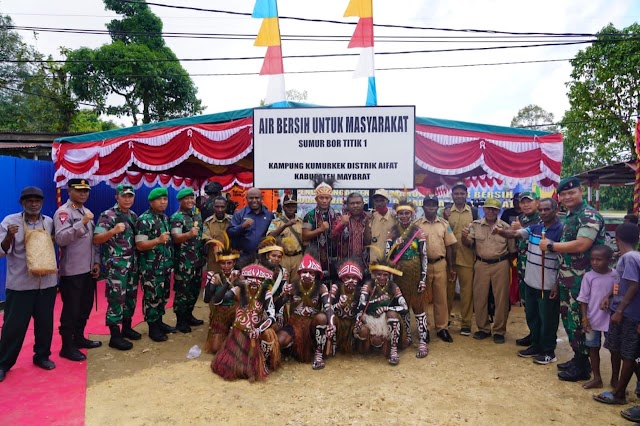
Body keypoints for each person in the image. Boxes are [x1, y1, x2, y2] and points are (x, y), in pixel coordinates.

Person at [540, 176, 607, 381]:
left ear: (580, 191)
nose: (568, 197)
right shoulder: (571, 216)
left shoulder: (588, 215)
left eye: (572, 192)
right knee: (570, 320)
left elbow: (581, 245)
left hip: (584, 281)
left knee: (581, 320)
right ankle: (579, 358)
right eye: (564, 194)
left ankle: (583, 365)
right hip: (569, 279)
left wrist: (551, 246)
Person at [0, 187, 57, 381]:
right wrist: (9, 236)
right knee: (13, 326)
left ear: (42, 202)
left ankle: (42, 356)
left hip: (46, 283)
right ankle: (4, 363)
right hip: (21, 285)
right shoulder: (10, 222)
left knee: (45, 323)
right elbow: (1, 251)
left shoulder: (48, 222)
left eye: (37, 200)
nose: (33, 204)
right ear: (22, 203)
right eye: (29, 200)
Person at [495, 198, 562, 363]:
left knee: (548, 319)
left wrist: (556, 284)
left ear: (555, 210)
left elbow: (564, 260)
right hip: (530, 281)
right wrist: (499, 231)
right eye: (541, 210)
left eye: (547, 209)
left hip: (547, 284)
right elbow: (515, 234)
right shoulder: (535, 228)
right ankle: (535, 345)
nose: (543, 213)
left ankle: (548, 351)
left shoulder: (561, 230)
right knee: (532, 315)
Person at [54, 178, 102, 361]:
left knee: (85, 307)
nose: (83, 193)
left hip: (88, 270)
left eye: (86, 190)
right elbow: (61, 239)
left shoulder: (87, 212)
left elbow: (94, 242)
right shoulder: (64, 213)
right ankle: (67, 346)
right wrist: (81, 223)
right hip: (72, 271)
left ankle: (79, 337)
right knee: (71, 310)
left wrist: (97, 262)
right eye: (79, 190)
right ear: (69, 191)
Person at [593, 223, 640, 405]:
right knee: (617, 349)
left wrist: (619, 310)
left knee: (627, 354)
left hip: (628, 314)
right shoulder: (629, 257)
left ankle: (619, 393)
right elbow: (623, 283)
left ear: (616, 239)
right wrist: (609, 295)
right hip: (623, 311)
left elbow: (634, 285)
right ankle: (617, 384)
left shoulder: (629, 258)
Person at [211, 264, 280, 381]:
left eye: (258, 279)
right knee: (232, 367)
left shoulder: (266, 293)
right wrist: (229, 282)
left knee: (268, 334)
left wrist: (259, 330)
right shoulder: (239, 289)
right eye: (250, 278)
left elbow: (272, 316)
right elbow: (218, 301)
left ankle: (262, 360)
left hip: (255, 333)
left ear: (263, 281)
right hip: (238, 332)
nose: (254, 281)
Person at [93, 184, 140, 351]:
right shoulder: (107, 215)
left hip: (132, 265)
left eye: (130, 196)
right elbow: (97, 238)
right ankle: (115, 336)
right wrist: (112, 231)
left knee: (130, 297)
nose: (127, 199)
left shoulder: (133, 216)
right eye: (124, 196)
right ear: (117, 197)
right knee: (116, 299)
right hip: (117, 266)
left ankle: (126, 327)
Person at [462, 198, 516, 344]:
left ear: (499, 211)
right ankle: (483, 328)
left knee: (501, 299)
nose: (491, 211)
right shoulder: (475, 225)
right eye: (488, 208)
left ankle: (499, 330)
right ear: (484, 209)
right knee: (480, 297)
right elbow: (468, 244)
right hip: (481, 264)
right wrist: (464, 236)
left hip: (501, 264)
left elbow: (512, 251)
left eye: (495, 209)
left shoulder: (505, 228)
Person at [385, 199, 429, 357]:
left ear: (412, 214)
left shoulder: (419, 231)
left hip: (416, 274)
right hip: (399, 276)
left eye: (407, 213)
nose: (404, 216)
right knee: (403, 308)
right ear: (397, 215)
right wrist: (390, 280)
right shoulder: (392, 232)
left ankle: (423, 341)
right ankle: (408, 336)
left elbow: (424, 256)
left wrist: (423, 279)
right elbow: (387, 257)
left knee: (418, 308)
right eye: (401, 213)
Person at [278, 252, 334, 370]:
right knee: (280, 340)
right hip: (295, 324)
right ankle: (289, 350)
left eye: (311, 272)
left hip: (312, 326)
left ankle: (318, 354)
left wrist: (331, 324)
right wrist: (283, 295)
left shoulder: (321, 288)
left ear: (316, 275)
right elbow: (278, 306)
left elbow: (328, 307)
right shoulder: (292, 287)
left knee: (322, 317)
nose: (307, 275)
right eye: (304, 272)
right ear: (299, 273)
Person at [135, 187, 176, 342]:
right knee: (152, 298)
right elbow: (140, 245)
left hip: (164, 267)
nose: (163, 202)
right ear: (151, 202)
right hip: (150, 268)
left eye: (165, 199)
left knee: (163, 296)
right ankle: (153, 328)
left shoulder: (164, 218)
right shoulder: (144, 220)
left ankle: (159, 323)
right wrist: (157, 240)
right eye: (159, 199)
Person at [415, 194, 457, 343]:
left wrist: (451, 267)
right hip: (423, 266)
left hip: (440, 264)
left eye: (433, 204)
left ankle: (442, 328)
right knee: (423, 299)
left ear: (437, 206)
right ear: (423, 206)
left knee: (441, 298)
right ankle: (424, 328)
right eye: (428, 204)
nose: (431, 207)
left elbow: (450, 247)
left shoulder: (444, 224)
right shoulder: (417, 225)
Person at [354, 259, 409, 365]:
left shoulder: (393, 286)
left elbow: (405, 307)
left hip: (385, 319)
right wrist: (376, 301)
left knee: (392, 315)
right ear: (374, 274)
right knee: (363, 332)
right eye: (379, 274)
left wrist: (387, 309)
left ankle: (393, 349)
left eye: (385, 275)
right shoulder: (368, 285)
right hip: (369, 318)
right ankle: (367, 346)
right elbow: (361, 305)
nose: (382, 277)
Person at [577, 244, 616, 389]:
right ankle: (597, 378)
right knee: (593, 349)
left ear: (609, 260)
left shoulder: (615, 275)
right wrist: (584, 318)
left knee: (614, 350)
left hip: (610, 321)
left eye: (599, 259)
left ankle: (615, 380)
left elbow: (618, 293)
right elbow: (583, 300)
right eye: (592, 259)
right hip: (592, 320)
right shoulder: (588, 276)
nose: (594, 262)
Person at [170, 188, 205, 333]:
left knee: (194, 289)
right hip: (183, 262)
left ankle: (189, 315)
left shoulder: (196, 216)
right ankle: (181, 321)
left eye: (192, 198)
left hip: (197, 260)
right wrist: (189, 234)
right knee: (182, 291)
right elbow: (176, 238)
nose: (190, 201)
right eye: (187, 198)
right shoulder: (177, 217)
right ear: (180, 201)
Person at [447, 181, 477, 336]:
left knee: (467, 293)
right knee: (448, 292)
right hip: (449, 260)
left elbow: (478, 235)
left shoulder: (474, 212)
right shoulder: (445, 212)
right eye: (456, 193)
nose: (459, 196)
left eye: (462, 193)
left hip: (467, 258)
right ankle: (445, 321)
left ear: (466, 195)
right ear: (452, 195)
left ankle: (466, 323)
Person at [511, 191, 540, 347]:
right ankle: (533, 334)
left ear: (537, 202)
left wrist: (520, 228)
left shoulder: (541, 218)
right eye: (523, 202)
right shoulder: (522, 218)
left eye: (529, 201)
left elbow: (540, 238)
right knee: (528, 304)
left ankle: (540, 340)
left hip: (537, 269)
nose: (526, 205)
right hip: (523, 267)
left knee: (538, 305)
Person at [202, 232, 239, 354]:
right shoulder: (215, 275)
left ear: (234, 263)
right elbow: (208, 299)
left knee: (237, 346)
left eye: (229, 263)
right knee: (215, 348)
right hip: (220, 314)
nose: (226, 266)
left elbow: (227, 297)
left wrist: (228, 283)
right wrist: (210, 283)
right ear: (219, 264)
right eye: (223, 263)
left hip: (236, 314)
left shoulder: (240, 277)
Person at [302, 177, 342, 278]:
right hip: (315, 257)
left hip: (333, 257)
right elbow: (305, 236)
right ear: (316, 199)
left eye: (327, 198)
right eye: (321, 198)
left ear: (331, 199)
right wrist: (320, 230)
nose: (324, 201)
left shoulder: (337, 215)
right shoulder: (309, 215)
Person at [227, 188, 274, 262]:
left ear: (261, 198)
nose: (254, 200)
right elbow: (230, 232)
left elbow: (273, 234)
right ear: (246, 199)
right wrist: (242, 227)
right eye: (251, 198)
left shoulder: (269, 215)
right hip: (243, 257)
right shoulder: (239, 214)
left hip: (264, 258)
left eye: (257, 198)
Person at [329, 259, 365, 355]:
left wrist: (359, 320)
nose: (351, 281)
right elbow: (327, 308)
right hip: (338, 321)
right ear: (342, 278)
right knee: (329, 321)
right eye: (347, 277)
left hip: (352, 323)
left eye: (354, 278)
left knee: (363, 330)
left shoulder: (360, 291)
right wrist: (338, 305)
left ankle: (356, 345)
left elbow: (363, 309)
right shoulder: (336, 288)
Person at [268, 197, 304, 283]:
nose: (290, 208)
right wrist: (285, 226)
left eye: (292, 206)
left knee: (296, 285)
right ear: (283, 207)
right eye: (288, 206)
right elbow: (269, 236)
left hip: (297, 257)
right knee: (282, 283)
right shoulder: (276, 222)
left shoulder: (301, 222)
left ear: (296, 207)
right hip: (282, 257)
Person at [331, 192, 371, 268]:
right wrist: (341, 224)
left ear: (363, 204)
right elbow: (332, 237)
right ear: (348, 205)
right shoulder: (341, 218)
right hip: (345, 265)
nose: (355, 206)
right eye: (352, 203)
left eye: (358, 203)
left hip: (365, 264)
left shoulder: (369, 218)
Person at [202, 195, 232, 276]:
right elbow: (206, 236)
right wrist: (214, 243)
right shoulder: (208, 222)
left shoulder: (232, 220)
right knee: (213, 282)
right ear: (213, 207)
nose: (220, 209)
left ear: (226, 207)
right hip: (214, 258)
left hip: (229, 258)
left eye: (222, 207)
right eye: (217, 207)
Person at [368, 189, 397, 263]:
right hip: (375, 261)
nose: (379, 203)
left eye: (382, 200)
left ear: (387, 201)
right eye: (377, 201)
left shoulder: (394, 217)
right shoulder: (371, 218)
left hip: (391, 261)